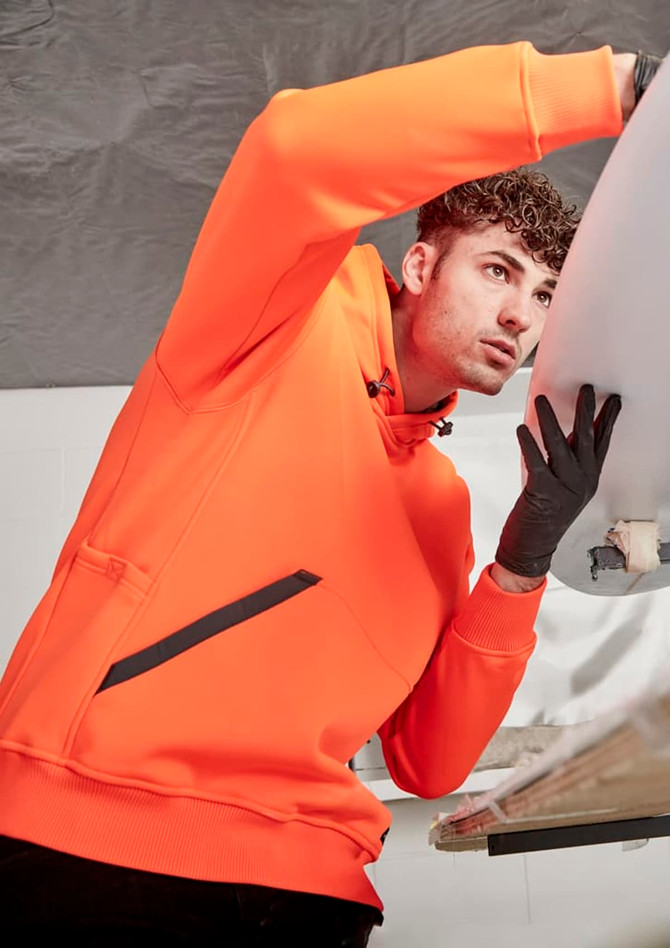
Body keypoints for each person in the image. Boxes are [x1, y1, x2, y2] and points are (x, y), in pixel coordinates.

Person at [0, 39, 660, 945]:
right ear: (422, 267)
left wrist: (522, 560)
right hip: (90, 847)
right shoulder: (272, 324)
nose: (522, 316)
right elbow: (294, 149)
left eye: (547, 297)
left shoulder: (444, 508)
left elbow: (428, 762)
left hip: (313, 892)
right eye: (499, 270)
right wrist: (616, 90)